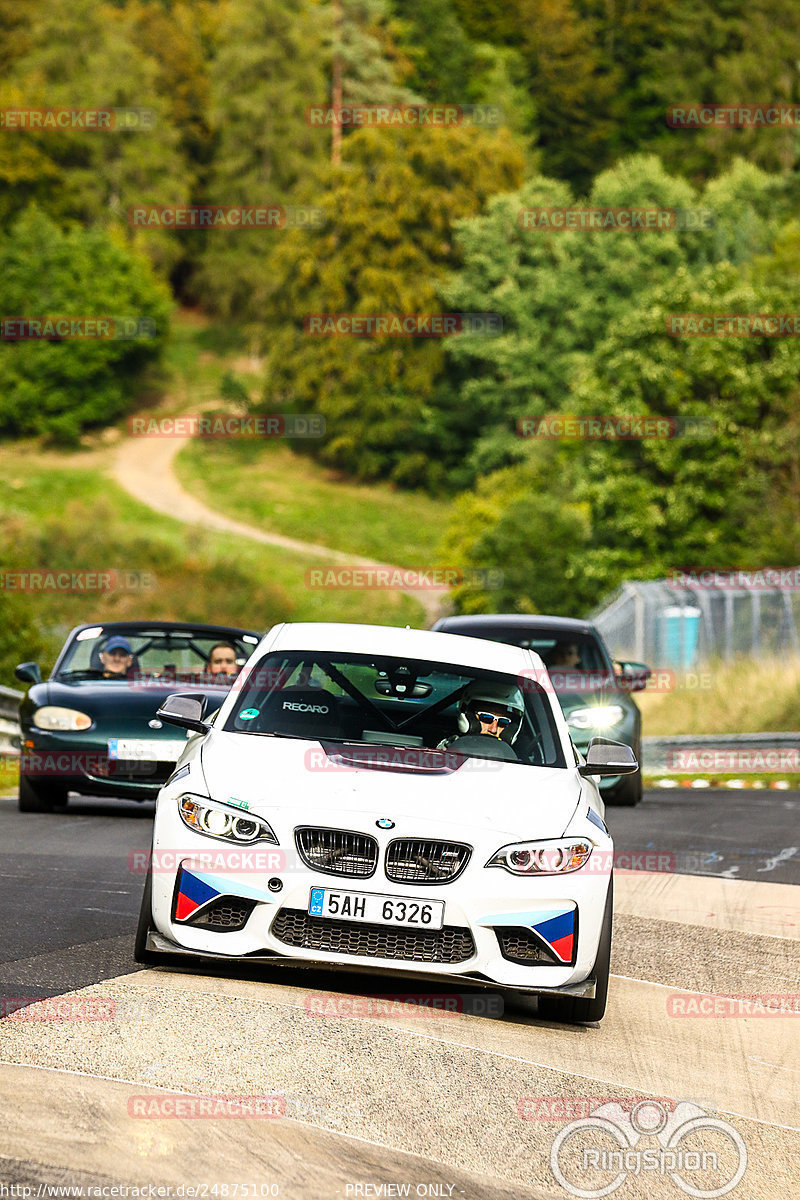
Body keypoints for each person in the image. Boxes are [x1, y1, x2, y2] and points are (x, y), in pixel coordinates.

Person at [438, 682, 524, 749]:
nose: (493, 729)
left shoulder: (517, 762)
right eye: (486, 718)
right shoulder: (447, 751)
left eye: (503, 722)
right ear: (468, 717)